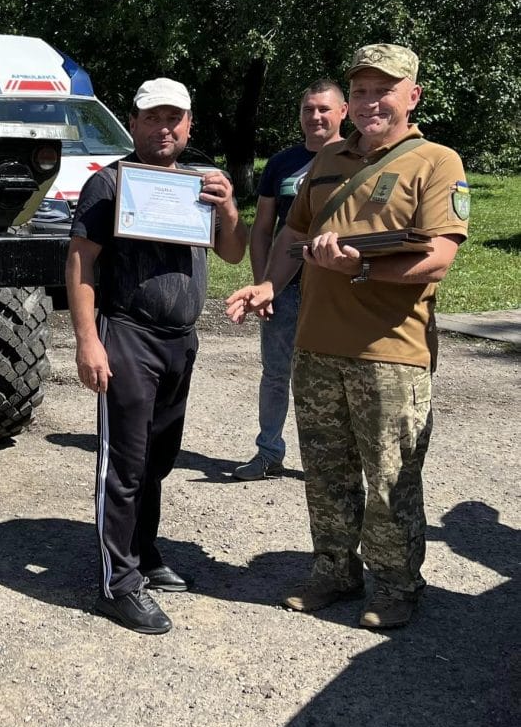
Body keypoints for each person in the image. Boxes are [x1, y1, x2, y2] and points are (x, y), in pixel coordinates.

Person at [226, 44, 468, 630]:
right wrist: (268, 285)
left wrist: (356, 269)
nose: (369, 102)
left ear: (412, 96)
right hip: (316, 344)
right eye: (359, 91)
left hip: (392, 353)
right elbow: (294, 236)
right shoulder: (329, 157)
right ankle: (335, 570)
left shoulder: (437, 162)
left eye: (383, 90)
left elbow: (437, 259)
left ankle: (395, 585)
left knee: (390, 477)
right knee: (326, 472)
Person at [67, 77, 247, 634]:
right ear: (135, 122)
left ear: (190, 124)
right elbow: (80, 261)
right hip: (128, 334)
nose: (164, 128)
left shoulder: (202, 184)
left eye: (175, 118)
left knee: (158, 460)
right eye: (152, 118)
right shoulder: (110, 184)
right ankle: (117, 583)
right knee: (123, 465)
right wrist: (87, 340)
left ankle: (144, 552)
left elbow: (235, 252)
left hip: (180, 341)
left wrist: (230, 208)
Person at [233, 80, 348, 481]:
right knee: (276, 372)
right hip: (286, 287)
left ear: (343, 113)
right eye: (308, 109)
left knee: (335, 377)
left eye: (324, 109)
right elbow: (263, 229)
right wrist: (264, 284)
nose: (315, 117)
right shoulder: (281, 164)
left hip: (336, 288)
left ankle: (328, 463)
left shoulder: (358, 161)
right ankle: (268, 452)